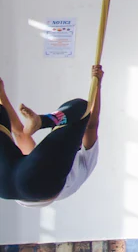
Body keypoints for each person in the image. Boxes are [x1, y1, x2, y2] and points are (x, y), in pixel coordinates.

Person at [0, 65, 103, 205]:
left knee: (80, 107)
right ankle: (42, 121)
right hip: (6, 187)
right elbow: (20, 134)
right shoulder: (43, 164)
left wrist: (97, 84)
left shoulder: (82, 163)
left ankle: (42, 121)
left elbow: (91, 123)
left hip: (27, 184)